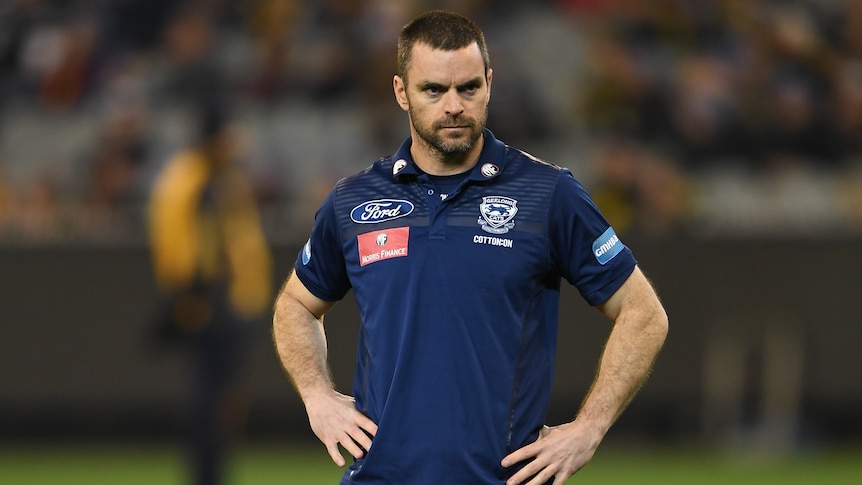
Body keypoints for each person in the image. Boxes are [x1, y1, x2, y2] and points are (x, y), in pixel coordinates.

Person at [272, 10, 668, 485]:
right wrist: (317, 395)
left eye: (468, 88)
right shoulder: (353, 201)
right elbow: (296, 303)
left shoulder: (548, 194)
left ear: (489, 84)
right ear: (401, 92)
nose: (454, 105)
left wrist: (589, 429)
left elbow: (644, 313)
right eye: (433, 90)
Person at [148, 104, 273, 485]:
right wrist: (195, 296)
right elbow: (191, 249)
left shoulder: (213, 178)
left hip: (227, 301)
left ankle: (211, 474)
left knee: (223, 398)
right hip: (212, 304)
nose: (234, 144)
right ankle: (207, 477)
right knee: (215, 399)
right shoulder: (194, 181)